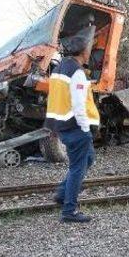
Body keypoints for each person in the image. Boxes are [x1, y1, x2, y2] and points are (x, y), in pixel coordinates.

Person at [45, 35, 99, 223]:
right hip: (75, 126)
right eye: (89, 48)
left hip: (61, 124)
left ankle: (62, 194)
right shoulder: (77, 72)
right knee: (78, 168)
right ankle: (69, 211)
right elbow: (78, 104)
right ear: (83, 52)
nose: (90, 51)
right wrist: (85, 128)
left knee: (88, 158)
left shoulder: (59, 68)